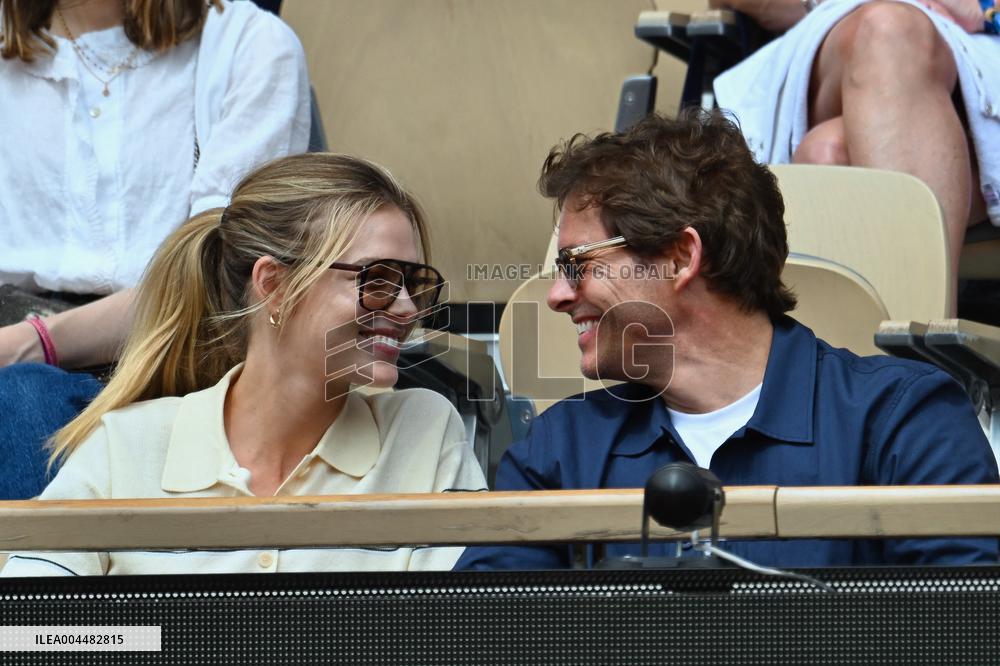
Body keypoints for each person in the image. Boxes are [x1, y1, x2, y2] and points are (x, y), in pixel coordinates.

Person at [455, 109, 999, 571]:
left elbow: (963, 626)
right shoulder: (559, 451)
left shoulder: (903, 420)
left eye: (576, 264)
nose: (555, 296)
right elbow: (485, 633)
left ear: (679, 257)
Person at [1, 152, 487, 576]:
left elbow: (454, 633)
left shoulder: (425, 431)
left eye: (414, 283)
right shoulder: (125, 447)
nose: (406, 309)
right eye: (378, 279)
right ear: (273, 285)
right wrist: (155, 643)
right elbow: (28, 635)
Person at [0, 0, 311, 498]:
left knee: (24, 401)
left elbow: (215, 268)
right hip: (11, 343)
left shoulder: (244, 45)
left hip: (173, 352)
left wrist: (32, 343)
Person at [709, 0, 1000, 312]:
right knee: (888, 28)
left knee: (828, 153)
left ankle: (899, 331)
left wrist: (989, 9)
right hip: (850, 27)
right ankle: (924, 323)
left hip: (983, 39)